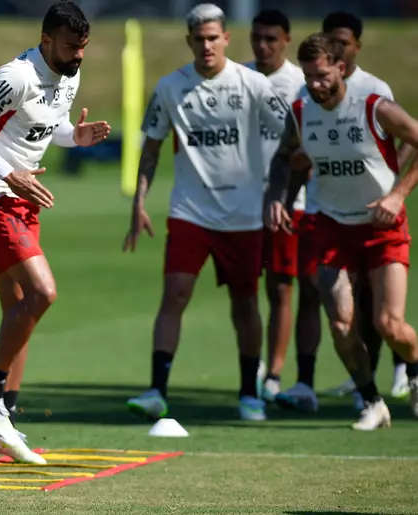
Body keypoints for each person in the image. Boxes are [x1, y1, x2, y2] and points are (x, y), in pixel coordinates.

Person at [0, 0, 111, 463]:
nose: (78, 56)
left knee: (19, 312)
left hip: (21, 196)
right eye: (70, 47)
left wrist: (73, 138)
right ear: (45, 41)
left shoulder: (68, 71)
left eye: (83, 48)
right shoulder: (15, 75)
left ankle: (1, 427)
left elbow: (49, 125)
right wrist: (8, 173)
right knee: (43, 293)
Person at [123, 3, 289, 422]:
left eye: (214, 37)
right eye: (199, 39)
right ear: (189, 42)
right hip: (190, 212)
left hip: (244, 215)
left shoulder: (252, 84)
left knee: (245, 302)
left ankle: (249, 393)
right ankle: (156, 391)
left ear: (226, 39)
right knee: (175, 294)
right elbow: (152, 148)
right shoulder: (170, 87)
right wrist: (139, 202)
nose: (207, 45)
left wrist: (278, 191)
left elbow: (292, 137)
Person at [264, 33, 418, 430]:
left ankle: (415, 372)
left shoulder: (373, 107)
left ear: (341, 68)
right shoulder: (300, 111)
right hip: (330, 224)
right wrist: (279, 198)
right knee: (340, 323)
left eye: (321, 76)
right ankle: (372, 402)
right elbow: (287, 158)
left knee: (389, 325)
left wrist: (398, 195)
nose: (315, 85)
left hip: (381, 225)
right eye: (309, 77)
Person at [243, 9, 313, 404]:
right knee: (244, 289)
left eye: (271, 39)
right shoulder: (238, 77)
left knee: (282, 287)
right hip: (240, 202)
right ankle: (251, 366)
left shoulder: (301, 85)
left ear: (286, 40)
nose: (263, 45)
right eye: (257, 37)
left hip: (290, 203)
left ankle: (274, 373)